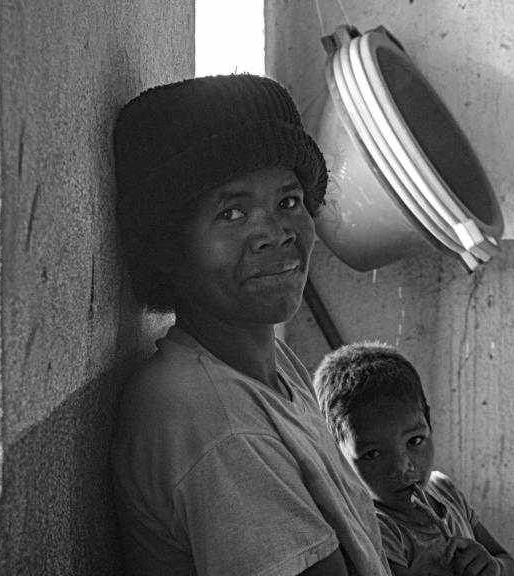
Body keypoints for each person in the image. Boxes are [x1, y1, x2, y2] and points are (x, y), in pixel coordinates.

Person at [110, 74, 391, 576]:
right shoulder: (215, 422)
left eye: (288, 202)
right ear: (168, 247)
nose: (276, 234)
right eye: (232, 213)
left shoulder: (268, 365)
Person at [313, 342, 514, 576]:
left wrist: (494, 567)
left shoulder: (444, 490)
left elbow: (509, 565)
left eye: (415, 441)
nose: (402, 467)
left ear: (429, 422)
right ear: (337, 456)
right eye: (372, 454)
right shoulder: (374, 530)